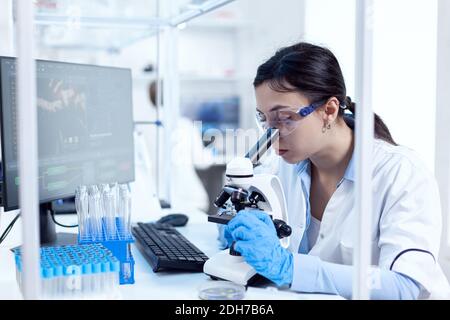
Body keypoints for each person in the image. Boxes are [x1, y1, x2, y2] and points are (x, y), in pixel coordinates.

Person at [221, 42, 450, 299]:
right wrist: (239, 232)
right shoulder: (282, 170)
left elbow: (405, 286)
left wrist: (290, 267)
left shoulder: (400, 173)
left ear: (329, 110)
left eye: (284, 118)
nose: (272, 136)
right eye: (264, 119)